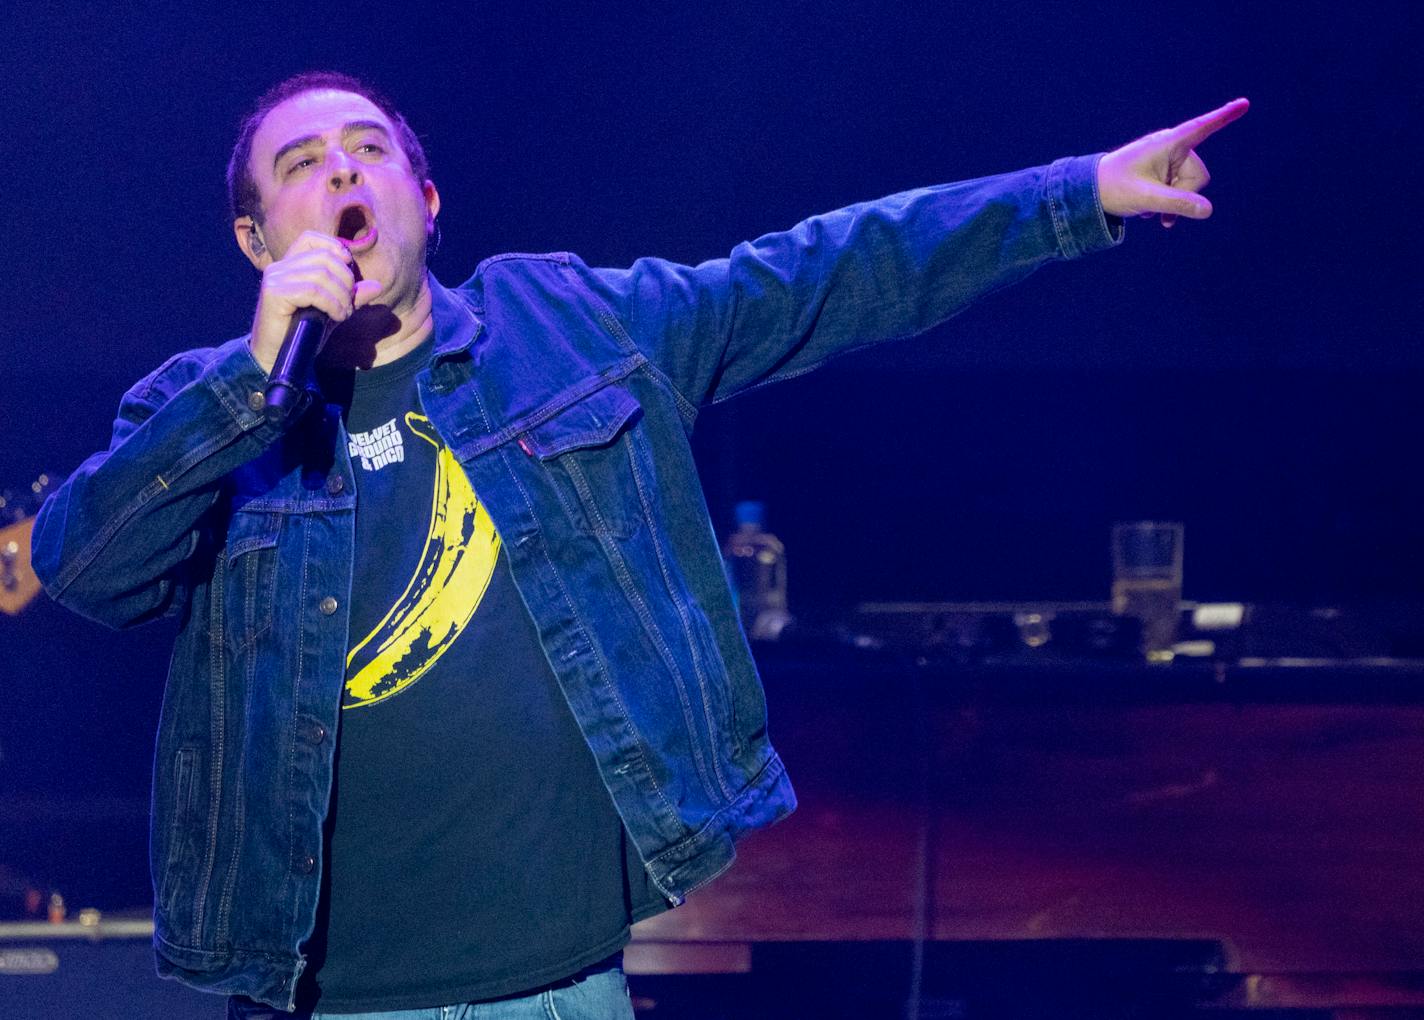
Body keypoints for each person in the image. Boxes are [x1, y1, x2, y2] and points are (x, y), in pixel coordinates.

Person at [31, 71, 1247, 1018]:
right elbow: (87, 566)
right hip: (315, 997)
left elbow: (824, 272)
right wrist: (253, 382)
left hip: (555, 990)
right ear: (256, 240)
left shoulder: (572, 326)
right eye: (301, 165)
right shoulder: (197, 411)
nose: (342, 173)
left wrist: (1068, 195)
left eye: (370, 152)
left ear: (424, 200)